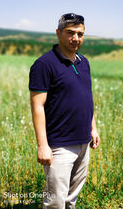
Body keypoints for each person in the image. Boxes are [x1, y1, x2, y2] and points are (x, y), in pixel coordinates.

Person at [29, 13, 100, 209]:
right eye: (70, 33)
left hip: (83, 142)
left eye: (80, 34)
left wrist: (93, 128)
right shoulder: (44, 65)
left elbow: (87, 97)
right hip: (59, 145)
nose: (75, 38)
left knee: (71, 199)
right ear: (58, 33)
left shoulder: (84, 62)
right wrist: (43, 145)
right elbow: (37, 105)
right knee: (55, 201)